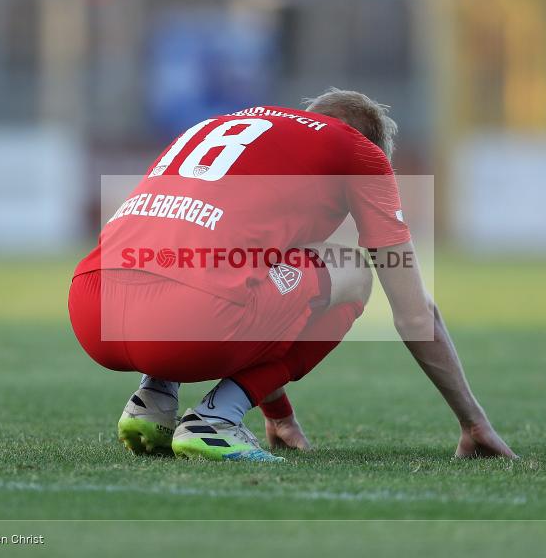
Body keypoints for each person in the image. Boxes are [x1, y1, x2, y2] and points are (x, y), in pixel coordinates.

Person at [68, 88, 516, 462]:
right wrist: (472, 421)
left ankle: (155, 400)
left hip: (92, 309)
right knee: (354, 271)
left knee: (214, 259)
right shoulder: (359, 153)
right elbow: (415, 315)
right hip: (189, 323)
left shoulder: (223, 125)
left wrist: (278, 412)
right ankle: (215, 419)